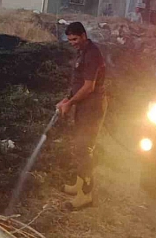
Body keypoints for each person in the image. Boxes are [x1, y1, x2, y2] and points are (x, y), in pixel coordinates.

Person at [55, 22, 107, 211]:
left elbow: (88, 87)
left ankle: (86, 195)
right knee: (79, 146)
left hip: (92, 108)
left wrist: (69, 104)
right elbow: (78, 82)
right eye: (70, 40)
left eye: (75, 39)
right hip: (83, 106)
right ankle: (79, 183)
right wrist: (66, 99)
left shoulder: (93, 54)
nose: (73, 43)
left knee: (84, 148)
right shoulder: (82, 51)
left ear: (84, 35)